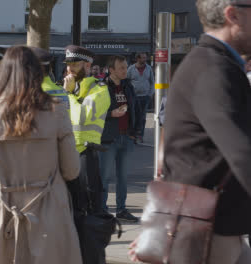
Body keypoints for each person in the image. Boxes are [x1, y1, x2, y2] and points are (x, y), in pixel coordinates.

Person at [129, 0, 251, 262]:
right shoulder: (214, 68)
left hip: (211, 226)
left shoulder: (212, 63)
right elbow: (242, 152)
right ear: (232, 15)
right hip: (208, 232)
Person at [0, 46, 82, 264]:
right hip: (48, 209)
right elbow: (71, 170)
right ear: (38, 73)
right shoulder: (56, 111)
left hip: (2, 210)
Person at [62, 45, 111, 262]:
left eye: (75, 64)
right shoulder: (65, 87)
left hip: (86, 157)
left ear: (88, 65)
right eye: (68, 64)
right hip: (66, 155)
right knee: (68, 213)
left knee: (89, 216)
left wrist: (70, 94)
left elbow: (81, 117)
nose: (70, 68)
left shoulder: (100, 89)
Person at [99, 55, 138, 222]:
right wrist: (111, 114)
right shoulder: (101, 87)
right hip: (108, 138)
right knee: (104, 177)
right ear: (111, 70)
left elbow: (136, 109)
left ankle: (121, 209)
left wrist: (136, 132)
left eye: (126, 67)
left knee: (123, 177)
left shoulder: (127, 86)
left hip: (126, 137)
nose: (125, 70)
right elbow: (93, 113)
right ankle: (102, 210)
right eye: (121, 68)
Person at [127, 52, 154, 143]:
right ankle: (132, 135)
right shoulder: (131, 68)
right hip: (134, 97)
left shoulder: (149, 68)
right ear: (137, 59)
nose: (145, 59)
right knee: (133, 116)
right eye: (142, 58)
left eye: (145, 57)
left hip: (145, 97)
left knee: (142, 117)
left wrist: (150, 94)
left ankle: (140, 135)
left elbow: (152, 82)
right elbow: (126, 81)